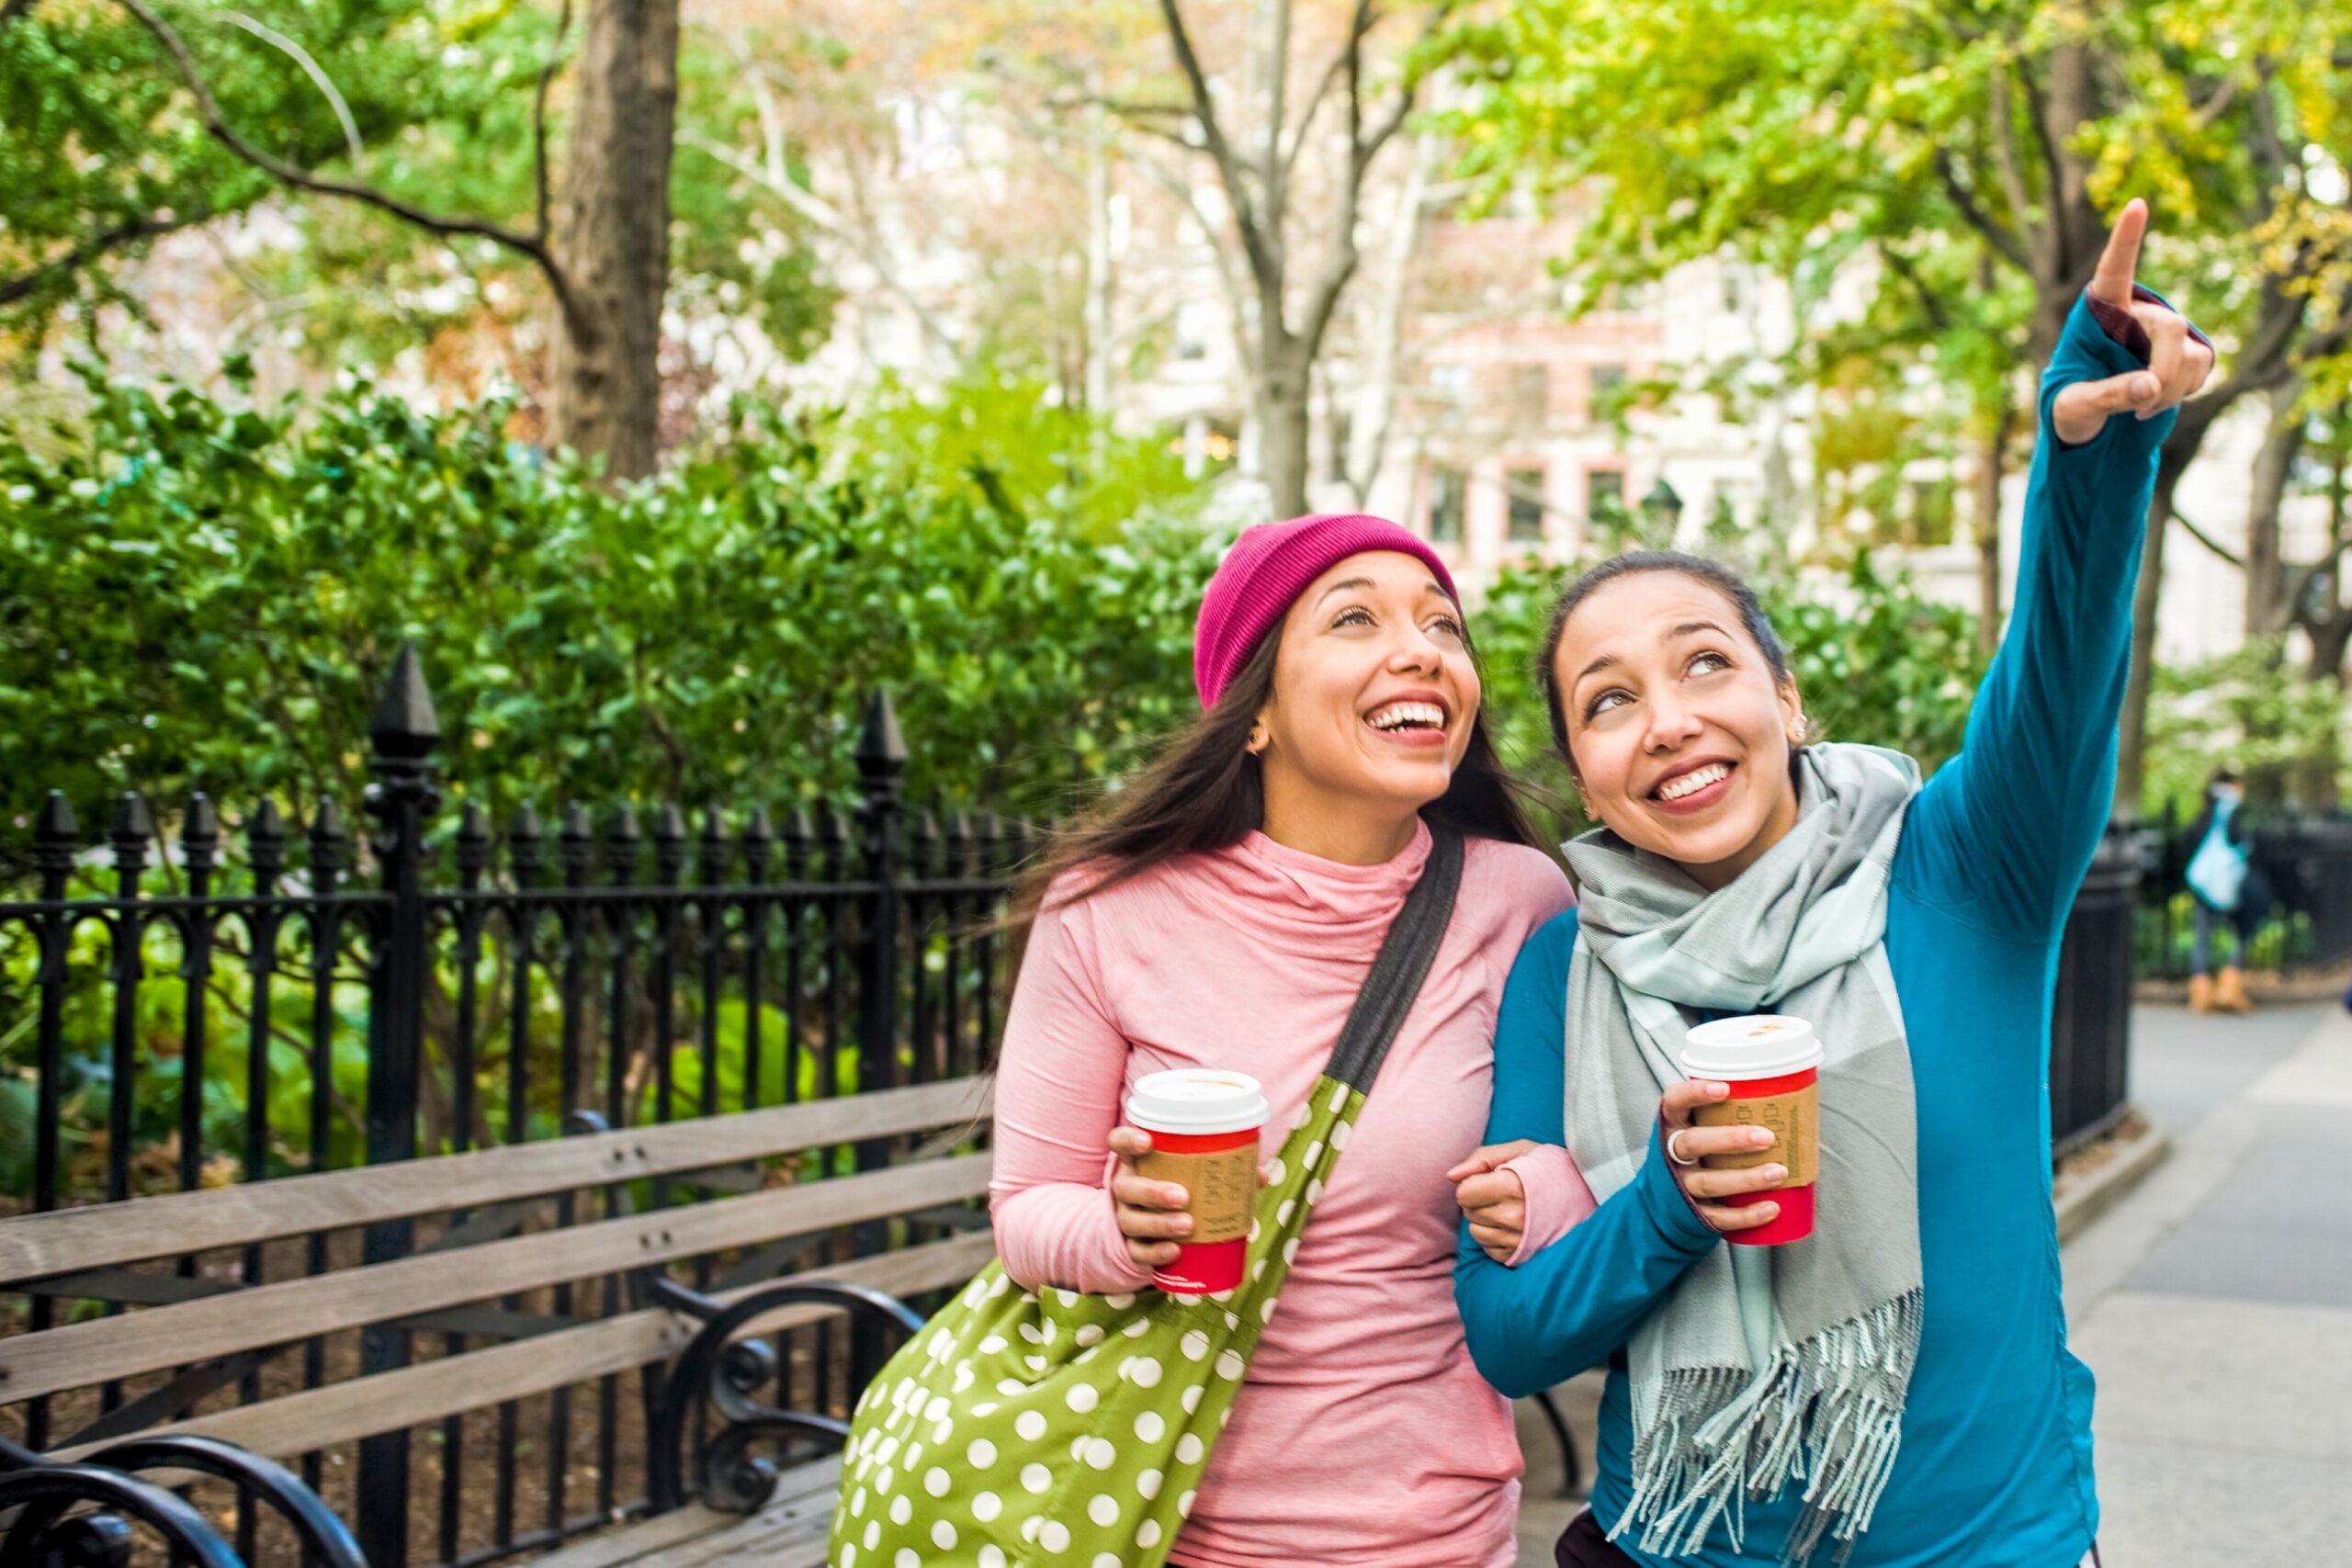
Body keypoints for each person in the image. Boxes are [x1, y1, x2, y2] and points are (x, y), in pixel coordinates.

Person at [1450, 199, 2211, 1568]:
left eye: (1703, 663)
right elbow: (1511, 1336)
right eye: (1607, 700)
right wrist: (1670, 1201)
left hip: (1989, 1542)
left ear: (1785, 698)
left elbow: (2061, 663)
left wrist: (2088, 449)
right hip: (1673, 1542)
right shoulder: (1565, 968)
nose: (1668, 718)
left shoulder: (1960, 863)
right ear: (1583, 770)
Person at [987, 513, 1575, 1568]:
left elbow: (1586, 1170)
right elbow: (1025, 1207)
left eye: (1443, 626)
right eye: (1356, 618)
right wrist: (1126, 1237)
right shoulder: (1106, 911)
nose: (1421, 651)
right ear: (1251, 708)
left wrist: (1550, 1195)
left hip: (1437, 1528)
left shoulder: (1520, 900)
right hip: (1158, 1523)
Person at [2182, 767, 2264, 1013]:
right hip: (2230, 884)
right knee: (2240, 931)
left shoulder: (2204, 814)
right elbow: (2244, 845)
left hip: (2203, 885)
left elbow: (2188, 843)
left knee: (2202, 933)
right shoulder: (2233, 812)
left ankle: (2201, 991)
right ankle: (2229, 986)